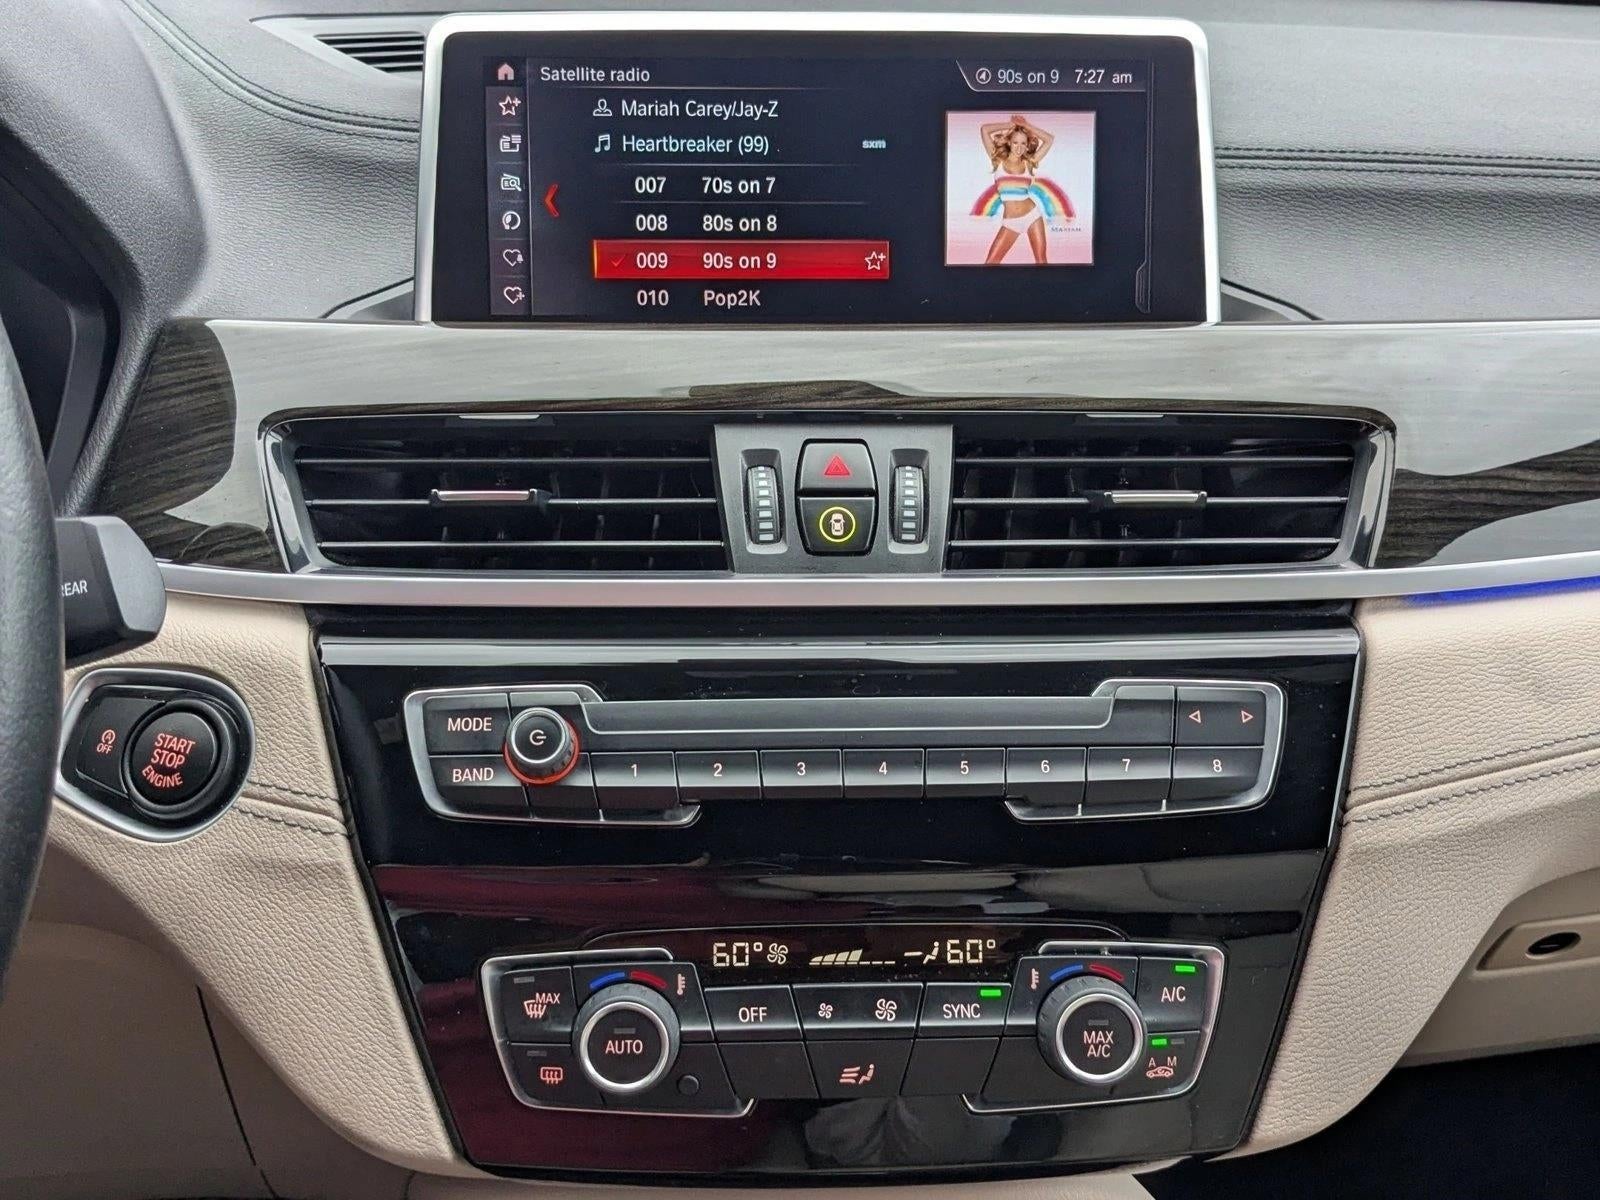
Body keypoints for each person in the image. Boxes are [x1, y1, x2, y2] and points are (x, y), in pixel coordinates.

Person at [978, 114, 1057, 264]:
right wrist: (1011, 125)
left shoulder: (1029, 162)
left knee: (1041, 261)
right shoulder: (998, 160)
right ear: (1009, 142)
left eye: (1023, 143)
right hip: (1010, 222)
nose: (1019, 147)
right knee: (991, 263)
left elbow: (1049, 139)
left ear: (1027, 145)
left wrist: (1026, 125)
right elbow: (984, 130)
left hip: (1033, 216)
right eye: (1015, 142)